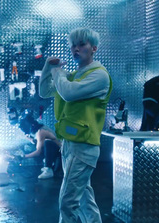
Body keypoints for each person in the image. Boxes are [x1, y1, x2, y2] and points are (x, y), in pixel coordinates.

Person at [39, 27, 112, 223]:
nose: (76, 49)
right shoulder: (72, 76)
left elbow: (68, 92)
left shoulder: (98, 75)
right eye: (73, 45)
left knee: (67, 202)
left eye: (81, 44)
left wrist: (57, 73)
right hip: (69, 144)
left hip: (84, 147)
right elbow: (45, 92)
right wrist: (48, 68)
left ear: (94, 48)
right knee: (85, 201)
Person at [18, 110, 61, 179]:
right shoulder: (39, 130)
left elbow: (38, 152)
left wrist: (23, 156)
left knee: (47, 143)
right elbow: (36, 141)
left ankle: (48, 169)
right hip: (57, 152)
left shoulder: (41, 132)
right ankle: (47, 165)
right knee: (35, 145)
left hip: (61, 153)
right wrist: (29, 138)